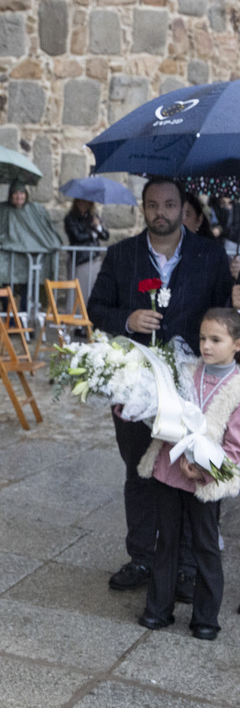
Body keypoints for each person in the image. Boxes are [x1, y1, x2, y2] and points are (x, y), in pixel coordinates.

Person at [87, 177, 233, 596]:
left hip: (194, 386)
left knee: (194, 471)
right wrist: (127, 320)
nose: (161, 213)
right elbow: (97, 309)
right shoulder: (121, 255)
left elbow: (226, 313)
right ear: (143, 208)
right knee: (139, 470)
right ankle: (142, 558)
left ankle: (188, 564)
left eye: (169, 204)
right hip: (136, 386)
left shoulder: (210, 254)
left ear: (182, 206)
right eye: (152, 205)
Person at [136, 307, 240, 639]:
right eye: (202, 338)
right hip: (170, 471)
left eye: (216, 339)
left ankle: (206, 618)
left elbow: (235, 447)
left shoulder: (236, 388)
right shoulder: (186, 371)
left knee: (205, 545)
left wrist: (204, 471)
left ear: (237, 344)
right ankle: (158, 609)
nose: (206, 346)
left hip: (203, 481)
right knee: (165, 540)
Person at [0, 181, 61, 317]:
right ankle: (12, 321)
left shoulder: (35, 210)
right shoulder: (2, 210)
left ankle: (25, 322)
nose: (19, 196)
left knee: (28, 293)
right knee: (6, 291)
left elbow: (45, 235)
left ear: (26, 195)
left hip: (28, 264)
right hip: (8, 262)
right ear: (10, 195)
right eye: (15, 193)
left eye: (21, 193)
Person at [63, 198, 109, 305]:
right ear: (76, 203)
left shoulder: (93, 217)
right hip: (80, 258)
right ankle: (75, 315)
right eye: (81, 202)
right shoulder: (71, 218)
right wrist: (92, 234)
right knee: (77, 290)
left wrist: (98, 226)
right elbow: (77, 236)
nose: (83, 205)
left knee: (92, 288)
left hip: (94, 258)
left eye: (86, 203)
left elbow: (105, 236)